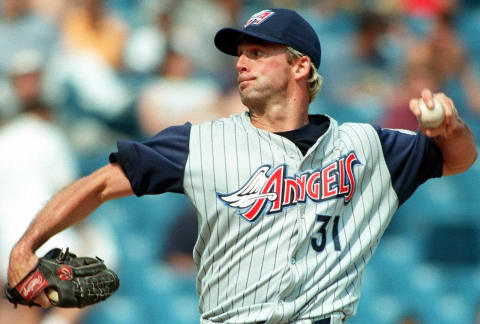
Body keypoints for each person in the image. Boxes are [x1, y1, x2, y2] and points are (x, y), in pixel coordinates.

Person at [6, 8, 477, 324]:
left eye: (257, 53)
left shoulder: (366, 144)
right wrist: (27, 245)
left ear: (300, 67)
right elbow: (100, 184)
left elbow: (457, 161)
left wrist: (452, 129)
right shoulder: (203, 144)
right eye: (240, 55)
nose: (241, 64)